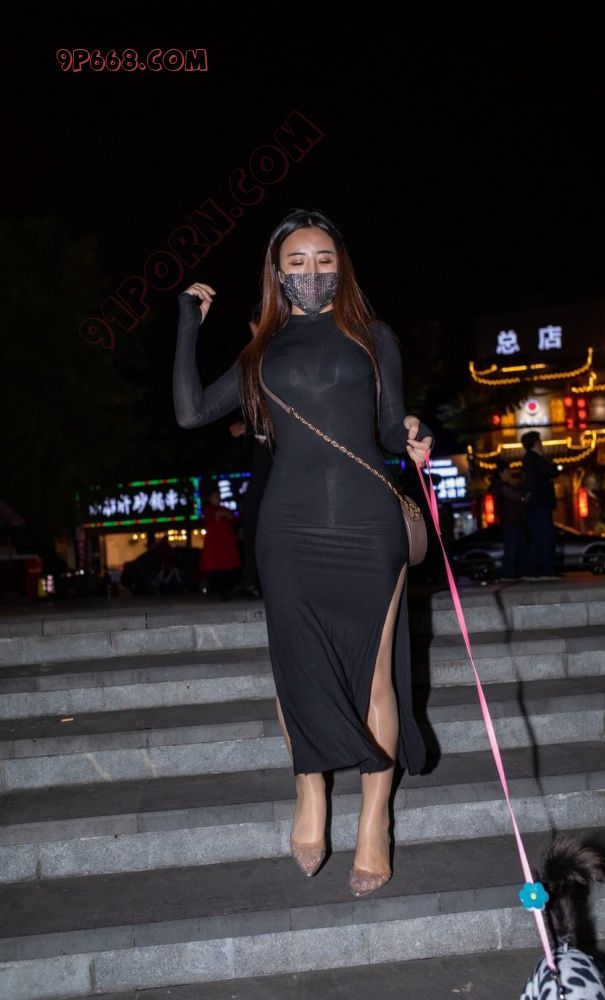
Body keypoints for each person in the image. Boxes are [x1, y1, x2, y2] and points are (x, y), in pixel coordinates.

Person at [173, 208, 433, 897]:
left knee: (375, 678)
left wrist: (411, 430)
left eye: (324, 258)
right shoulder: (261, 351)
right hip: (286, 528)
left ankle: (375, 820)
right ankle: (309, 790)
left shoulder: (373, 337)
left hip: (367, 522)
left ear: (341, 267)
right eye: (297, 260)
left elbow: (387, 427)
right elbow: (191, 412)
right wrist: (188, 326)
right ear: (276, 271)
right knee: (297, 670)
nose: (311, 270)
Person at [227, 305, 273, 599]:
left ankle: (261, 578)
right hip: (263, 446)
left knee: (268, 512)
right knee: (253, 511)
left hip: (286, 448)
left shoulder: (278, 351)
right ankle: (251, 578)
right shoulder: (254, 359)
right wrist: (246, 426)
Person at [520, 430, 560, 581]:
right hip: (539, 503)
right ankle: (544, 569)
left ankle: (537, 569)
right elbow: (552, 472)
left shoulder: (530, 459)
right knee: (544, 536)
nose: (542, 444)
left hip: (537, 503)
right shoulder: (535, 459)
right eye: (540, 441)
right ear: (536, 443)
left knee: (539, 537)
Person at [200, 489, 242, 597]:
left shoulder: (224, 509)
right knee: (217, 567)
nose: (217, 498)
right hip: (215, 544)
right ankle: (219, 591)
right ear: (210, 498)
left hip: (226, 543)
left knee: (227, 567)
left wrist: (225, 515)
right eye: (215, 496)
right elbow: (210, 521)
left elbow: (235, 519)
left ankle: (227, 590)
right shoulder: (208, 510)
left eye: (218, 496)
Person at [489, 459, 525, 581]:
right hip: (509, 521)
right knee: (511, 546)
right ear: (501, 472)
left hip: (512, 520)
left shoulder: (502, 486)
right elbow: (515, 495)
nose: (509, 473)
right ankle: (508, 572)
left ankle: (513, 571)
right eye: (507, 471)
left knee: (515, 546)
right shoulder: (500, 486)